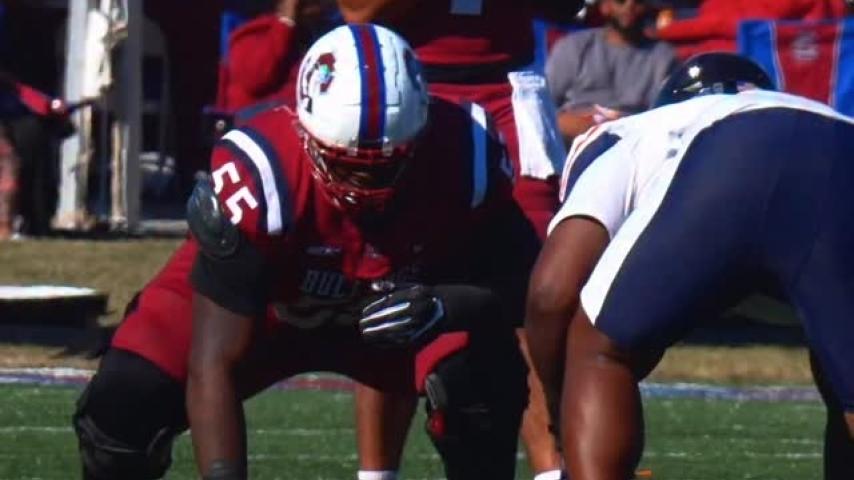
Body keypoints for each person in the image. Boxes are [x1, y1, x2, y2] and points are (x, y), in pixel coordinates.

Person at [72, 24, 535, 480]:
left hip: (397, 321)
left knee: (483, 378)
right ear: (304, 128)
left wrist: (444, 305)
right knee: (121, 405)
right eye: (345, 164)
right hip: (267, 317)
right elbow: (212, 362)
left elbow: (524, 287)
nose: (365, 183)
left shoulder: (462, 152)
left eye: (387, 163)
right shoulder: (264, 174)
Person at [525, 52, 854, 480]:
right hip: (844, 149)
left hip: (730, 156)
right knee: (844, 378)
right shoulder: (820, 115)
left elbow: (552, 291)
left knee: (602, 350)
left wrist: (560, 411)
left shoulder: (633, 130)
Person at [335, 2, 584, 477]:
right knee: (390, 287)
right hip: (407, 91)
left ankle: (553, 469)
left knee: (537, 290)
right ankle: (376, 472)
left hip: (509, 89)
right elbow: (358, 11)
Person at [546, 0, 678, 143]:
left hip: (633, 141)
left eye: (638, 2)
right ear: (605, 6)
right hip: (572, 139)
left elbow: (664, 118)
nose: (629, 6)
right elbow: (545, 105)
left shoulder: (663, 57)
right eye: (621, 1)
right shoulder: (574, 46)